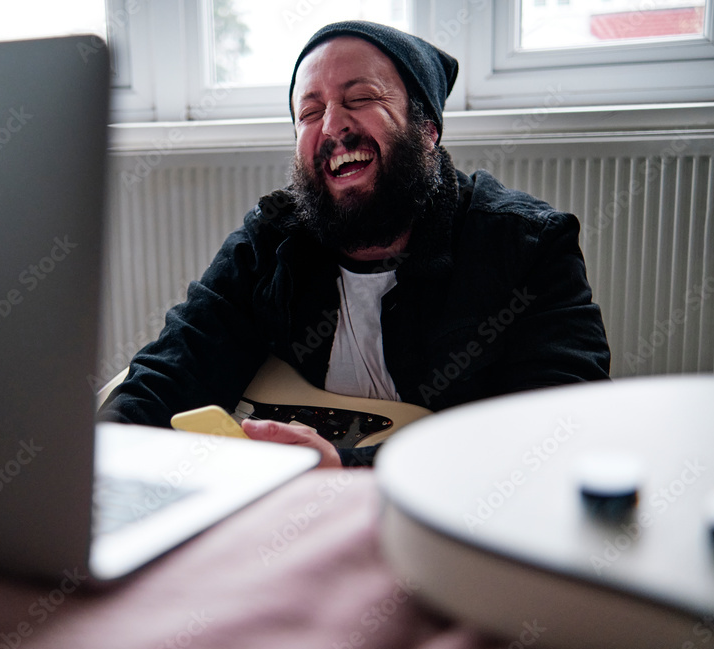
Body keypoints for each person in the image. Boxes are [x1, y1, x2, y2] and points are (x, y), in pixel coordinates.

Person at [98, 21, 611, 467]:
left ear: (427, 129)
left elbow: (557, 426)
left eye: (361, 98)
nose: (333, 125)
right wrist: (97, 454)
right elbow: (176, 366)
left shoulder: (527, 247)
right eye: (309, 111)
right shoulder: (271, 241)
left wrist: (350, 468)